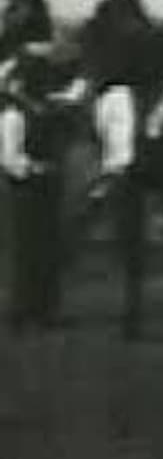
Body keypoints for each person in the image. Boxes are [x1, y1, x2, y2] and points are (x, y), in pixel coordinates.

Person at [0, 51, 65, 332]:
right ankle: (21, 310)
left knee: (47, 249)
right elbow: (9, 157)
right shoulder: (14, 115)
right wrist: (36, 169)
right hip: (24, 190)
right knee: (24, 250)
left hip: (47, 188)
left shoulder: (47, 110)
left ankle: (43, 308)